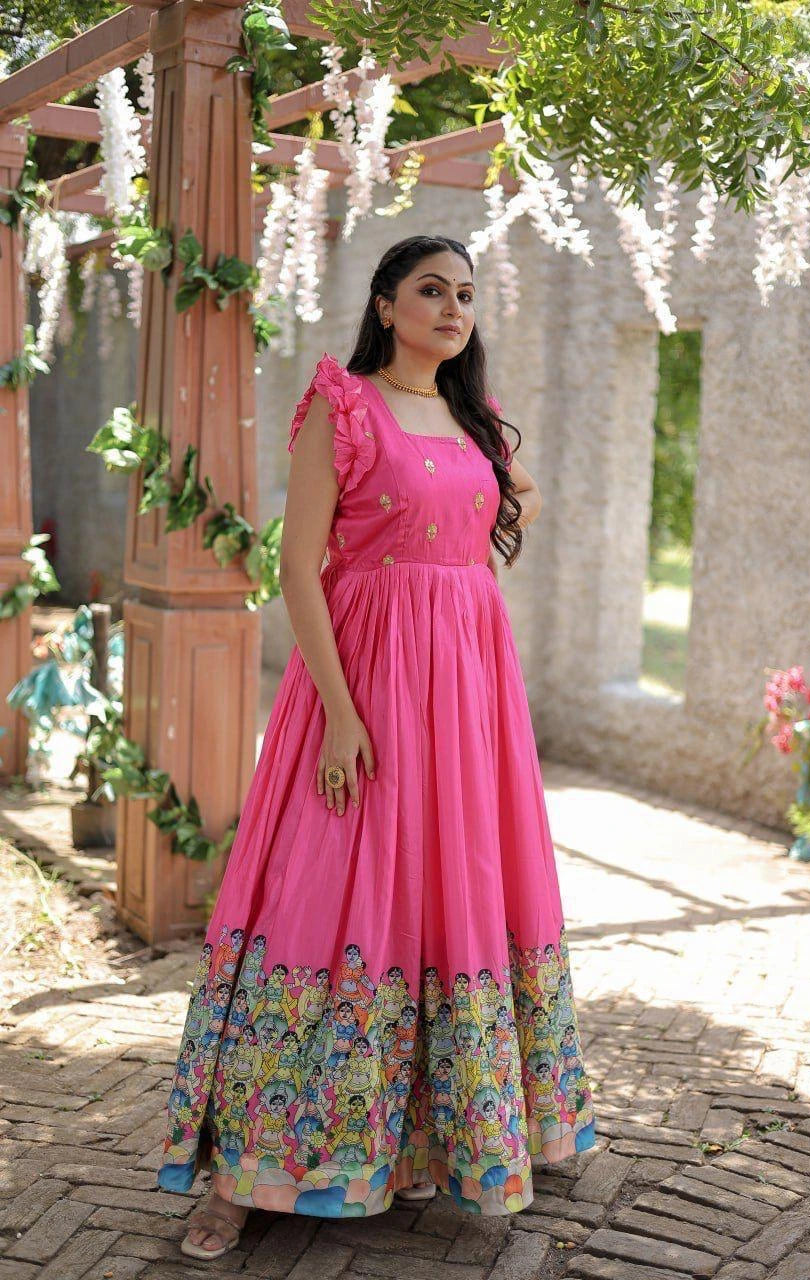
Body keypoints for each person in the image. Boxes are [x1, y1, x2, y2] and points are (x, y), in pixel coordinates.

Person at [156, 234, 596, 1260]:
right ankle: (245, 1173)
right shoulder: (343, 404)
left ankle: (424, 1143)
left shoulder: (472, 417)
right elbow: (297, 568)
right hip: (361, 681)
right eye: (431, 291)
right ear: (386, 305)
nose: (452, 309)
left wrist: (461, 579)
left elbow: (515, 497)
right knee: (319, 895)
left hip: (466, 695)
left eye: (466, 295)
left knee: (450, 895)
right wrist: (343, 713)